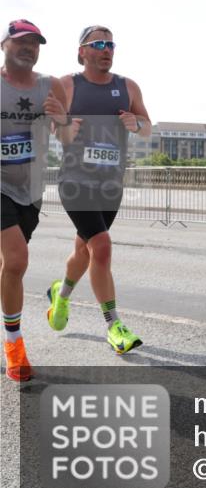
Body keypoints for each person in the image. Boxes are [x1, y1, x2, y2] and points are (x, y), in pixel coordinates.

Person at [46, 25, 153, 355]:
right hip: (76, 182)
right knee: (102, 247)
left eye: (111, 44)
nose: (107, 49)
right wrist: (66, 128)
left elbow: (147, 127)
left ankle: (60, 297)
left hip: (111, 185)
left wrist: (137, 125)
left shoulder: (127, 86)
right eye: (99, 44)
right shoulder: (67, 84)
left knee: (84, 251)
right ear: (83, 52)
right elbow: (56, 132)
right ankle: (114, 325)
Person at [1, 20, 75, 381]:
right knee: (16, 258)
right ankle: (14, 344)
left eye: (35, 43)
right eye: (21, 42)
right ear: (5, 45)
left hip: (30, 190)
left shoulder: (52, 85)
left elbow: (68, 135)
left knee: (11, 267)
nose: (29, 48)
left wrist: (62, 120)